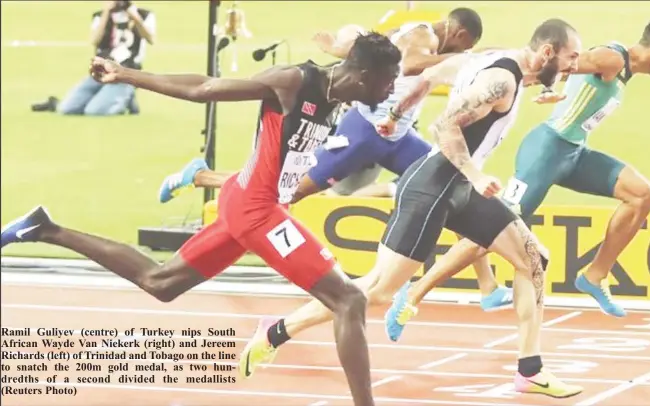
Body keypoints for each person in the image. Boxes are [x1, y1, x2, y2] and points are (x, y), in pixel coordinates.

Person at [0, 32, 402, 406]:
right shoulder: (294, 81)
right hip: (256, 211)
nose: (390, 91)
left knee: (161, 283)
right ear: (364, 76)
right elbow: (204, 89)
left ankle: (45, 228)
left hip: (248, 204)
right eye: (388, 83)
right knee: (349, 299)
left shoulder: (344, 90)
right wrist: (125, 75)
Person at [239, 18, 585, 398]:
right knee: (375, 291)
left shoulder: (501, 63)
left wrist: (396, 113)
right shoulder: (499, 80)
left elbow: (431, 75)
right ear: (547, 52)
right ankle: (275, 331)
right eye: (571, 59)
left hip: (460, 187)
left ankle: (530, 369)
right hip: (433, 185)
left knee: (533, 259)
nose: (574, 67)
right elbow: (445, 126)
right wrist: (474, 172)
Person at [159, 9, 515, 311]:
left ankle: (488, 286)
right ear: (459, 33)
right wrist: (469, 59)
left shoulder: (418, 36)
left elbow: (368, 47)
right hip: (362, 131)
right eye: (465, 47)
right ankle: (202, 176)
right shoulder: (422, 36)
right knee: (293, 190)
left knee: (448, 184)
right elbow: (412, 65)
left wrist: (339, 46)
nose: (464, 54)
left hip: (395, 136)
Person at [387, 18, 650, 326]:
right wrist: (549, 84)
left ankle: (595, 276)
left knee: (642, 194)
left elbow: (568, 72)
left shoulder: (624, 69)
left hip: (574, 153)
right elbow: (565, 64)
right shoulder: (613, 58)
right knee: (492, 231)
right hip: (546, 151)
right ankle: (413, 293)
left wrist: (553, 90)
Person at [31, 1, 155, 116]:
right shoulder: (99, 16)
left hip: (126, 74)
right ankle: (109, 97)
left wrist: (134, 17)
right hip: (101, 72)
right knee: (67, 109)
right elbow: (95, 40)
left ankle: (127, 99)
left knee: (94, 111)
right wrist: (106, 13)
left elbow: (150, 38)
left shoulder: (144, 15)